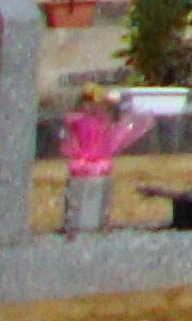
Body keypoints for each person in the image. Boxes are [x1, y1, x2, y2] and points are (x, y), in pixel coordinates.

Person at [57, 84, 149, 235]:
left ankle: (94, 219)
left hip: (96, 161)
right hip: (83, 161)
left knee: (96, 189)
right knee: (84, 190)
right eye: (86, 103)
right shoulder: (79, 119)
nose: (89, 106)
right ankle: (79, 221)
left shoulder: (100, 120)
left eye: (92, 103)